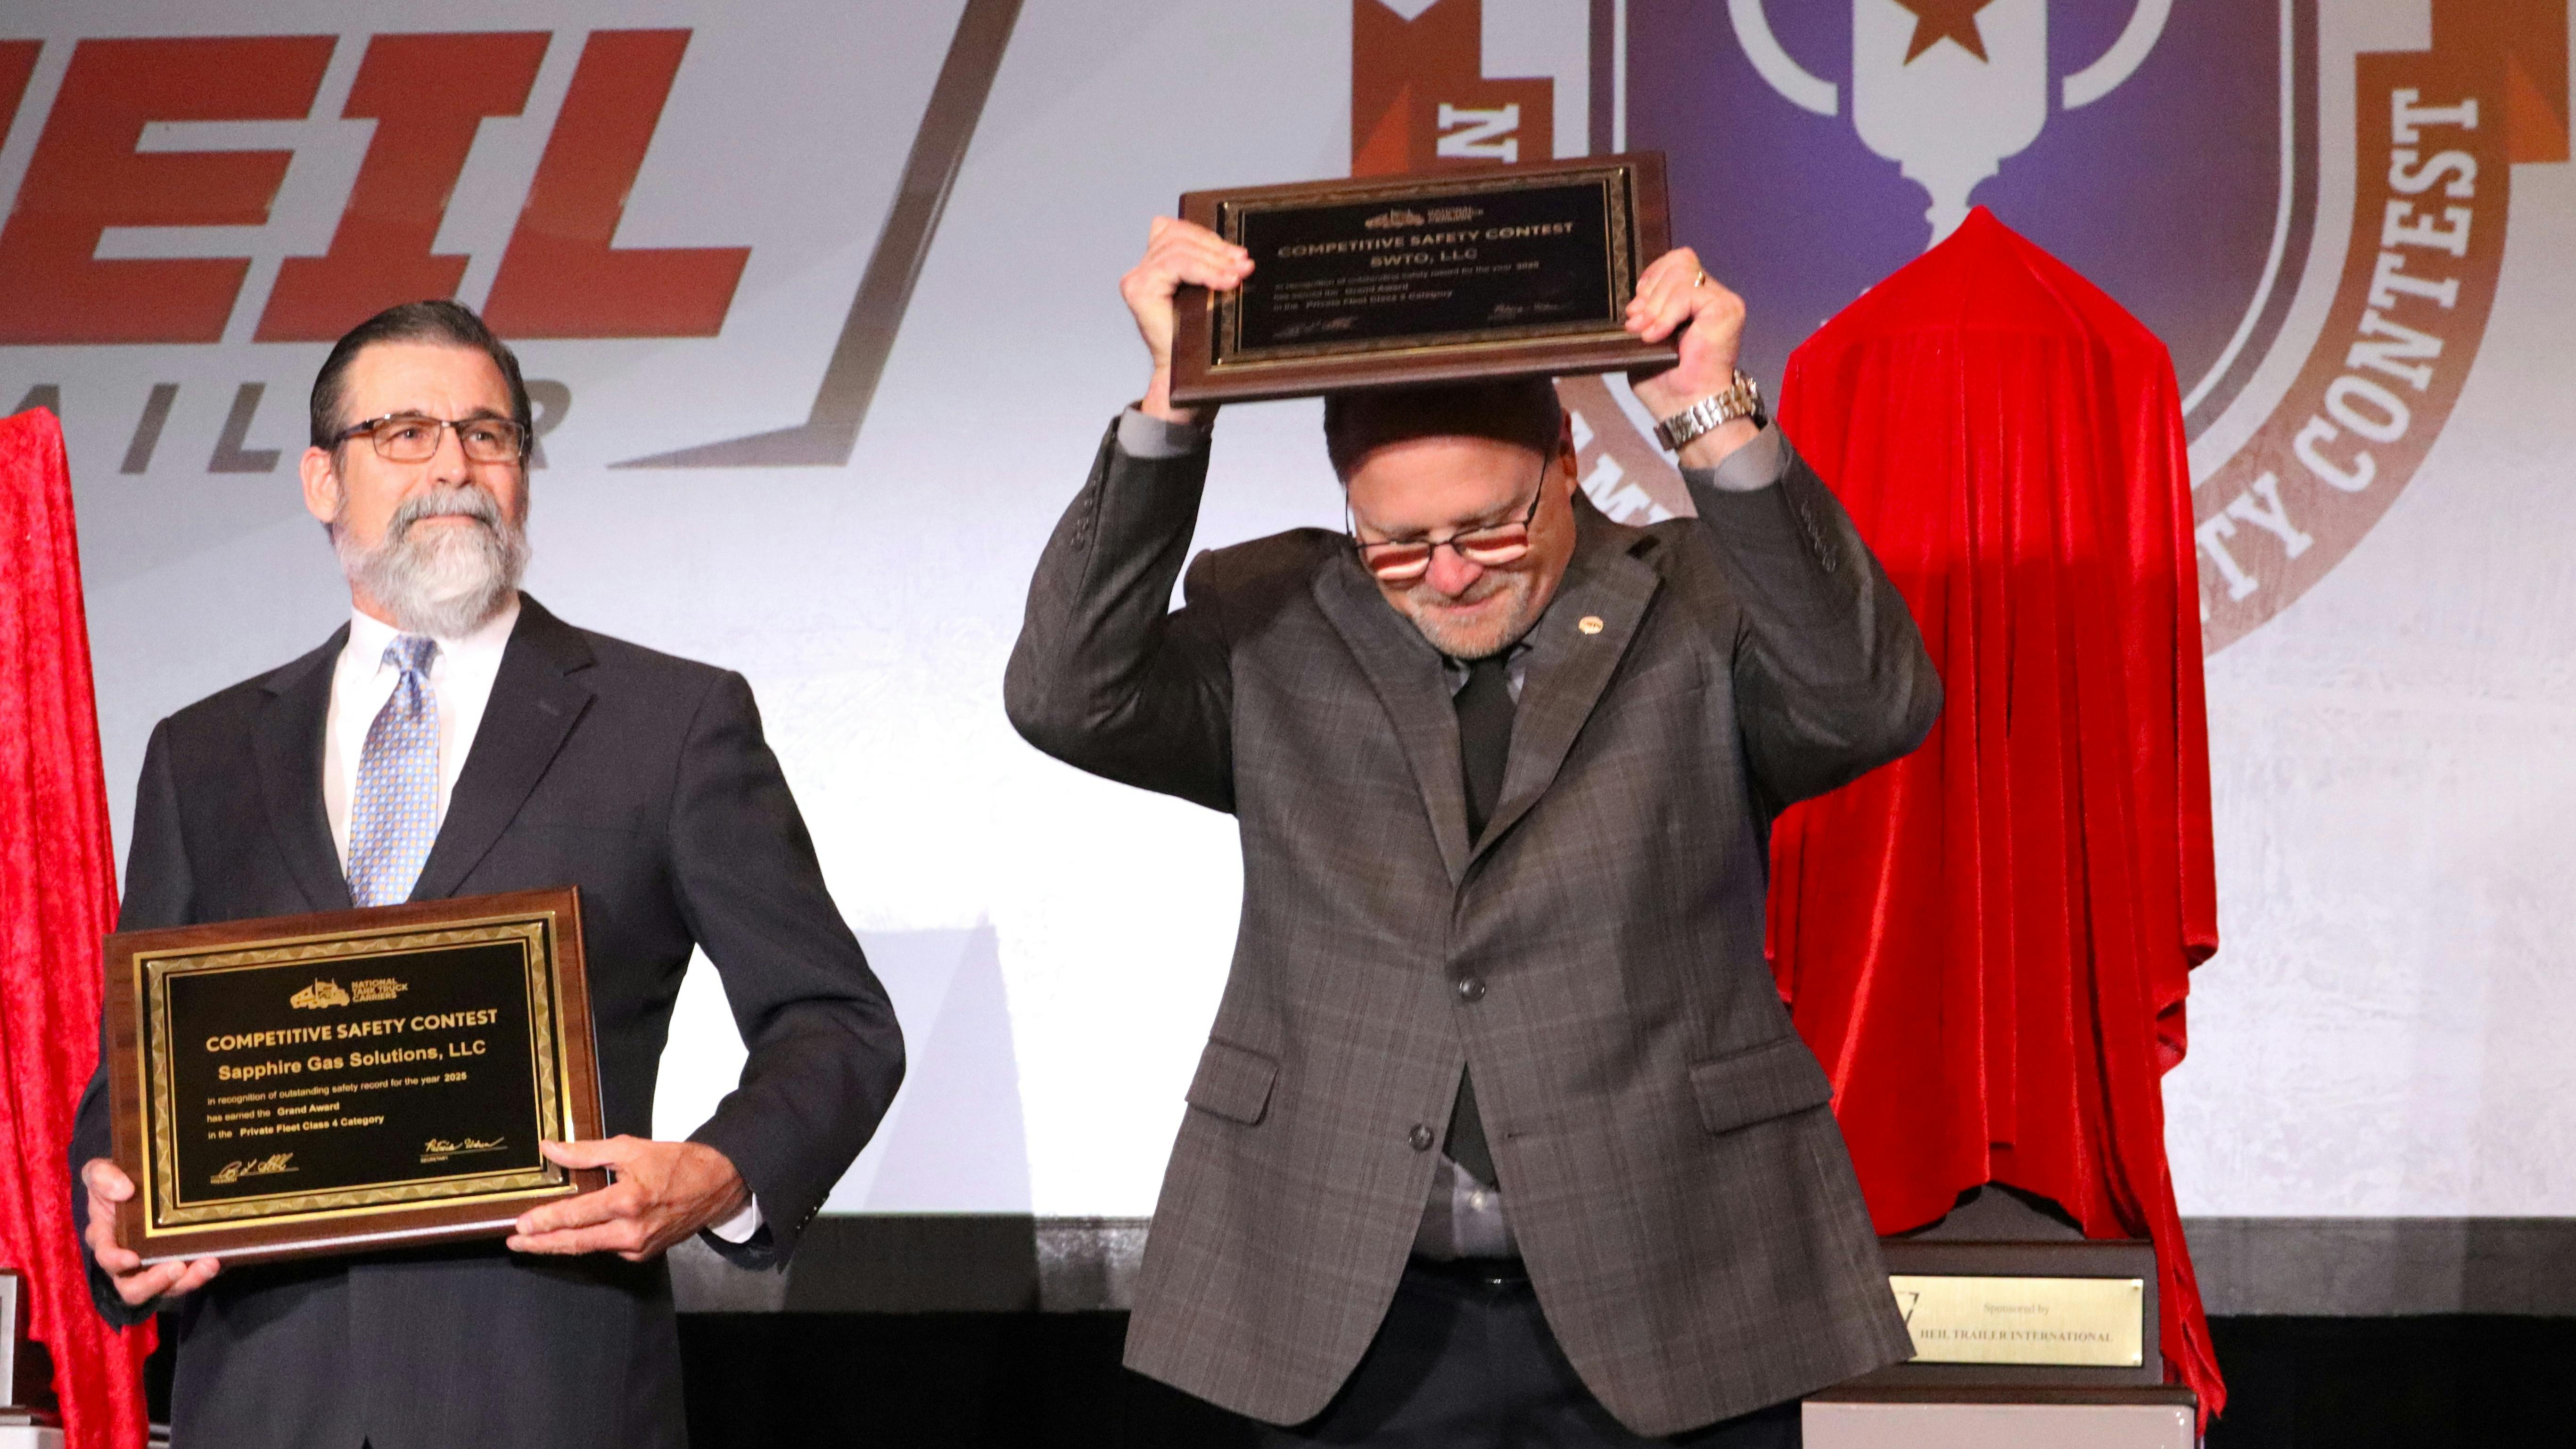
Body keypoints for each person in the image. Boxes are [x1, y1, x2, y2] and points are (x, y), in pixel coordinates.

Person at [1004, 219, 1941, 1445]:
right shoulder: (1272, 623)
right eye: (1397, 545)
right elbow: (1068, 694)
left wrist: (1709, 411)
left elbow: (1872, 700)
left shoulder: (1702, 601)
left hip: (1678, 1289)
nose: (1449, 575)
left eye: (1488, 528)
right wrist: (1173, 408)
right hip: (1349, 1313)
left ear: (1565, 461)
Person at [66, 300, 904, 1449]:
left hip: (547, 1395)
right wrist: (111, 1205)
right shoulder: (204, 752)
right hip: (268, 1399)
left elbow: (839, 1021)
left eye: (489, 434)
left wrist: (716, 1171)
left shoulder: (669, 723)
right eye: (404, 433)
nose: (453, 465)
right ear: (323, 480)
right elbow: (145, 1073)